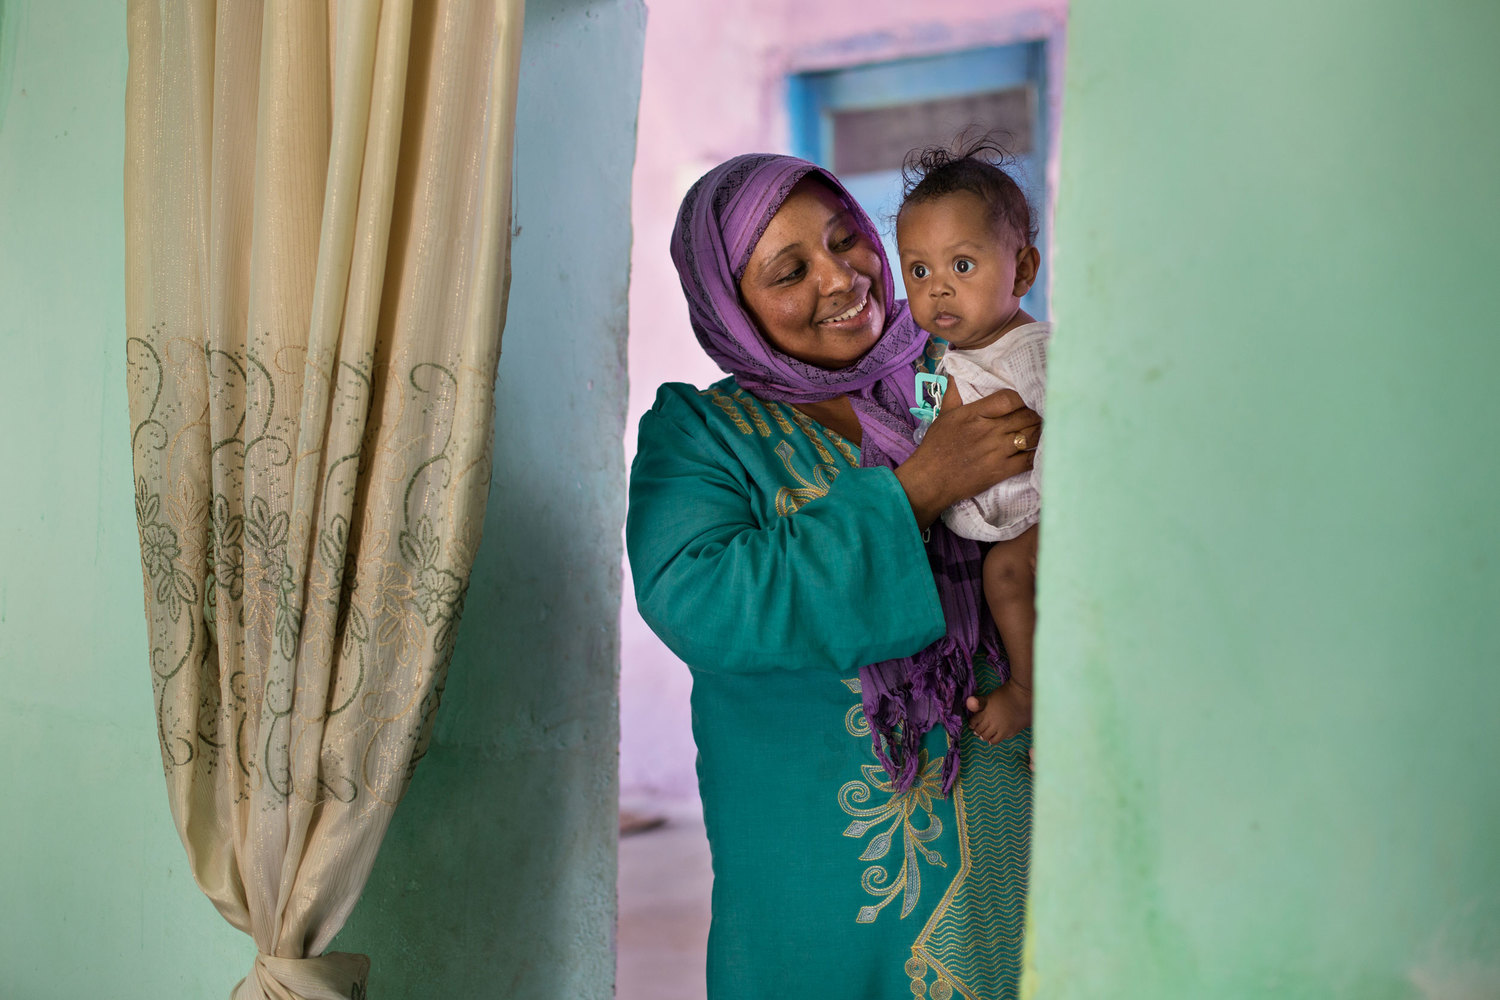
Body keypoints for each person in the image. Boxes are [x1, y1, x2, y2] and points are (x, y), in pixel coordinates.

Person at [627, 153, 1040, 1000]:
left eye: (846, 237)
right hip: (828, 881)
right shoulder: (703, 434)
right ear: (730, 307)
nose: (843, 276)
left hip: (1025, 836)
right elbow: (701, 600)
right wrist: (921, 489)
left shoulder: (962, 367)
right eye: (790, 271)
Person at [894, 139, 1049, 753]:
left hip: (1043, 518)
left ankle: (1032, 690)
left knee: (1008, 575)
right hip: (998, 520)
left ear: (1024, 270)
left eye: (963, 266)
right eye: (918, 270)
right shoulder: (940, 357)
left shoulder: (1032, 351)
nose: (937, 290)